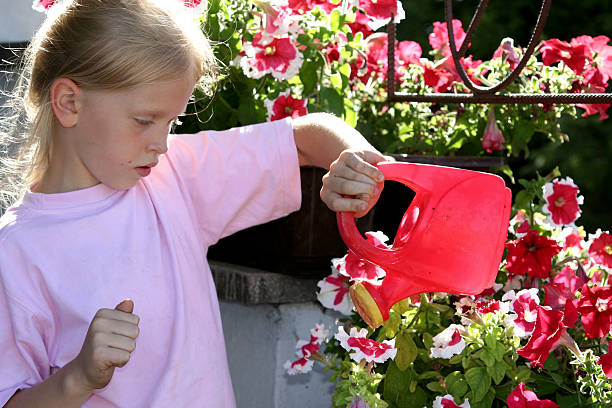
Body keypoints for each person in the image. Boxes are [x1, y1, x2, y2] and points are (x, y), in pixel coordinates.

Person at [0, 0, 387, 407]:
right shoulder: (16, 253)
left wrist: (363, 166)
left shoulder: (175, 174)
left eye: (172, 122)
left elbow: (309, 136)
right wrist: (77, 378)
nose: (161, 143)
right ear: (68, 103)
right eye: (145, 120)